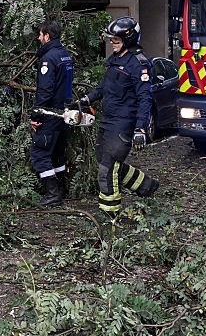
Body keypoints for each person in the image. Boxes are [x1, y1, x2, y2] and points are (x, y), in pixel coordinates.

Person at [79, 16, 159, 218]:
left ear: (128, 39)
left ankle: (109, 213)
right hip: (107, 121)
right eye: (111, 39)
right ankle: (146, 185)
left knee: (107, 168)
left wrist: (140, 128)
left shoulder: (139, 64)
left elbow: (144, 99)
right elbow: (104, 87)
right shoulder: (114, 60)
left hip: (123, 124)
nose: (112, 43)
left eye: (116, 40)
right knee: (104, 162)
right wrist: (86, 99)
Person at [30, 20, 75, 206]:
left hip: (50, 113)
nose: (39, 38)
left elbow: (45, 91)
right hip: (65, 113)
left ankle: (53, 193)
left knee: (40, 153)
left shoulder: (48, 59)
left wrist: (36, 115)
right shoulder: (65, 55)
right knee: (57, 153)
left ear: (47, 36)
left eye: (40, 35)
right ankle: (61, 189)